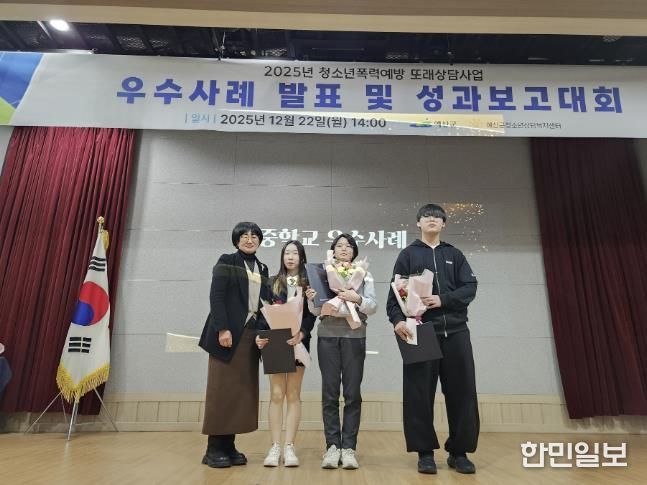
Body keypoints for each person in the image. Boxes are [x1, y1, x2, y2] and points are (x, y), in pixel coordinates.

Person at [387, 204, 479, 475]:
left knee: (462, 392)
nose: (432, 220)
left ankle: (459, 452)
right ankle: (424, 453)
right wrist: (397, 321)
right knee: (418, 394)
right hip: (421, 331)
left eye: (438, 217)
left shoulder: (454, 254)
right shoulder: (408, 255)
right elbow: (394, 296)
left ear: (443, 224)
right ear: (418, 222)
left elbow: (470, 287)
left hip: (456, 332)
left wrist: (443, 299)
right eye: (427, 216)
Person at [198, 221, 271, 468]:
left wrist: (263, 332)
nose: (249, 240)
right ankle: (213, 448)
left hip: (250, 337)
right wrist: (222, 328)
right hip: (227, 336)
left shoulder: (262, 267)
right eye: (244, 236)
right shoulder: (226, 260)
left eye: (254, 236)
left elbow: (265, 304)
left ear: (259, 240)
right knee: (222, 391)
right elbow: (216, 296)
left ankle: (228, 446)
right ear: (236, 240)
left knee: (239, 392)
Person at [306, 233, 377, 470]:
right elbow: (317, 311)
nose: (344, 249)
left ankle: (348, 448)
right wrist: (311, 300)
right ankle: (332, 447)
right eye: (339, 246)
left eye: (348, 246)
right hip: (327, 335)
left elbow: (373, 306)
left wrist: (357, 298)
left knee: (352, 393)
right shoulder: (323, 273)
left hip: (355, 336)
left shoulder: (364, 274)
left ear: (354, 251)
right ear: (333, 251)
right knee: (329, 393)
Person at [256, 240, 316, 467]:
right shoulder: (272, 282)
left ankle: (289, 446)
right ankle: (275, 446)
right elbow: (262, 312)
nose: (290, 257)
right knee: (276, 394)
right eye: (287, 253)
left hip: (298, 341)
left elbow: (311, 315)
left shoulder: (308, 284)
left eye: (295, 253)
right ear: (282, 257)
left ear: (302, 257)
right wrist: (260, 335)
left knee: (293, 394)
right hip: (275, 341)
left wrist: (303, 333)